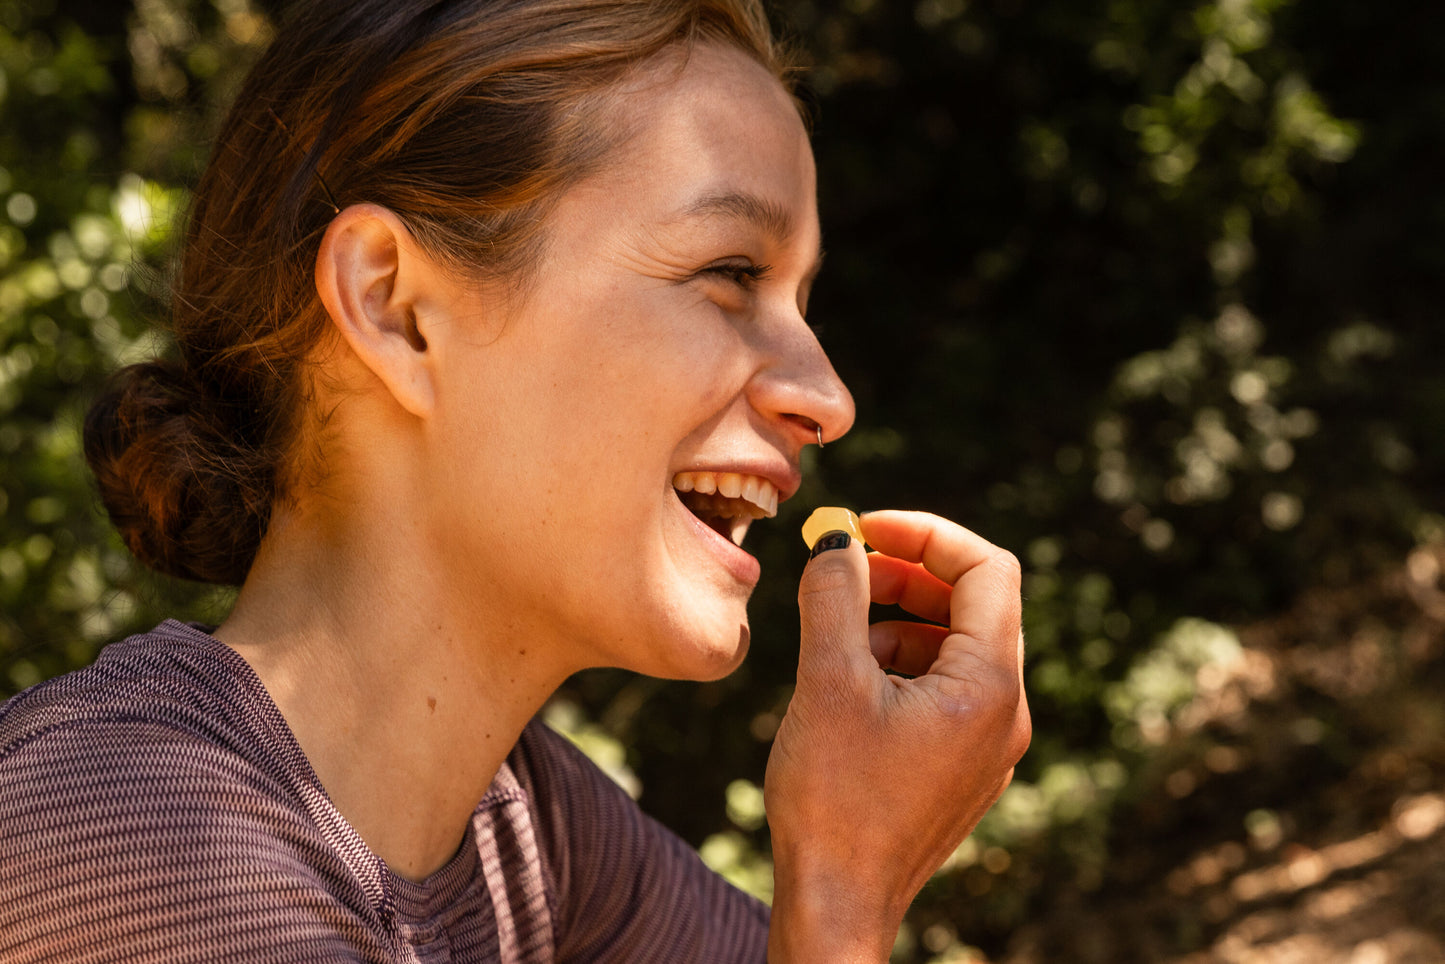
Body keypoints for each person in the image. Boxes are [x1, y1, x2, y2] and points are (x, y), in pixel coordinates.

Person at [0, 0, 1030, 960]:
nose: (826, 395)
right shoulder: (128, 836)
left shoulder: (528, 836)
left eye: (801, 298)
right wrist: (843, 888)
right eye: (728, 272)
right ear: (396, 306)